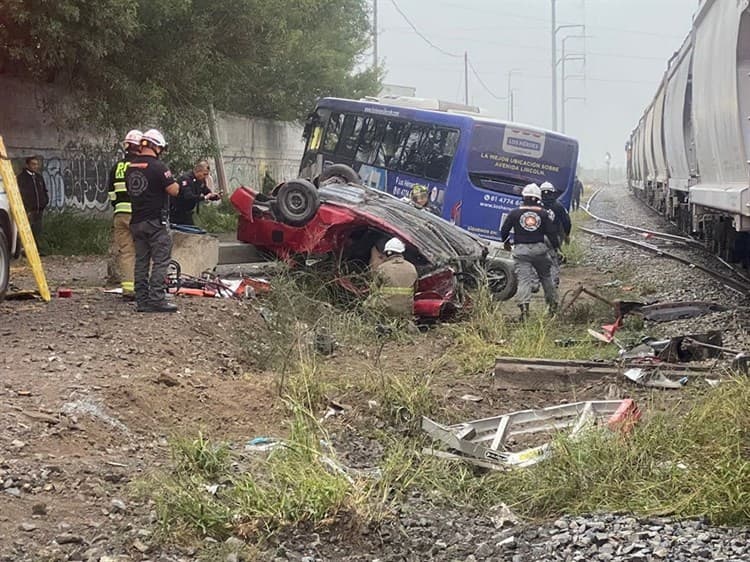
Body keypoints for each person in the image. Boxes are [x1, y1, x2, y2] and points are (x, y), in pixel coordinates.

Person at [125, 129, 180, 313]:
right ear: (156, 146)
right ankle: (156, 299)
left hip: (136, 220)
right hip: (156, 222)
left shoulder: (131, 167)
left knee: (141, 261)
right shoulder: (159, 167)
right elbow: (174, 191)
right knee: (160, 261)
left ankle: (142, 300)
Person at [500, 183, 560, 321]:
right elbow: (552, 233)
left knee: (524, 280)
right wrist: (556, 249)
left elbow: (504, 230)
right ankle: (552, 307)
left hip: (521, 251)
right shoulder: (543, 214)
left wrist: (506, 242)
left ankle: (524, 311)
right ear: (538, 198)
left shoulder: (514, 213)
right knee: (546, 277)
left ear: (523, 197)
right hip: (540, 250)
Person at [107, 129, 142, 299]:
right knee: (144, 249)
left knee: (127, 252)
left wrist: (118, 206)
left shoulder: (117, 167)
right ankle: (144, 287)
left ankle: (128, 289)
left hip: (119, 214)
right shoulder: (141, 165)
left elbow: (111, 193)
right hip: (137, 214)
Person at [369, 237, 418, 320]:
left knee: (367, 304)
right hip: (406, 309)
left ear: (388, 253)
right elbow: (415, 289)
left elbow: (374, 289)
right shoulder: (412, 267)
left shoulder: (383, 268)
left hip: (386, 308)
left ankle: (375, 324)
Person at [540, 181, 572, 287]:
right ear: (552, 193)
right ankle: (554, 282)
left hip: (536, 238)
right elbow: (566, 221)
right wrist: (566, 235)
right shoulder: (558, 206)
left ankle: (534, 283)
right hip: (553, 238)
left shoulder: (535, 205)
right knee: (553, 259)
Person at [170, 160, 220, 225]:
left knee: (191, 231)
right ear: (198, 171)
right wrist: (204, 197)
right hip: (176, 213)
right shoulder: (186, 179)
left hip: (187, 213)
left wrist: (214, 196)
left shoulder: (201, 180)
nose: (205, 177)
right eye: (204, 174)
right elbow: (188, 196)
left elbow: (206, 192)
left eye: (207, 175)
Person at [16, 155, 49, 244]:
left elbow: (44, 191)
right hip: (28, 210)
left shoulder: (39, 177)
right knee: (27, 231)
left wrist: (45, 201)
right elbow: (20, 194)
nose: (35, 166)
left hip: (39, 210)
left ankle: (38, 250)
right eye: (33, 164)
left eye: (36, 164)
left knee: (38, 231)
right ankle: (25, 251)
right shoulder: (22, 178)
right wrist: (26, 207)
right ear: (27, 165)